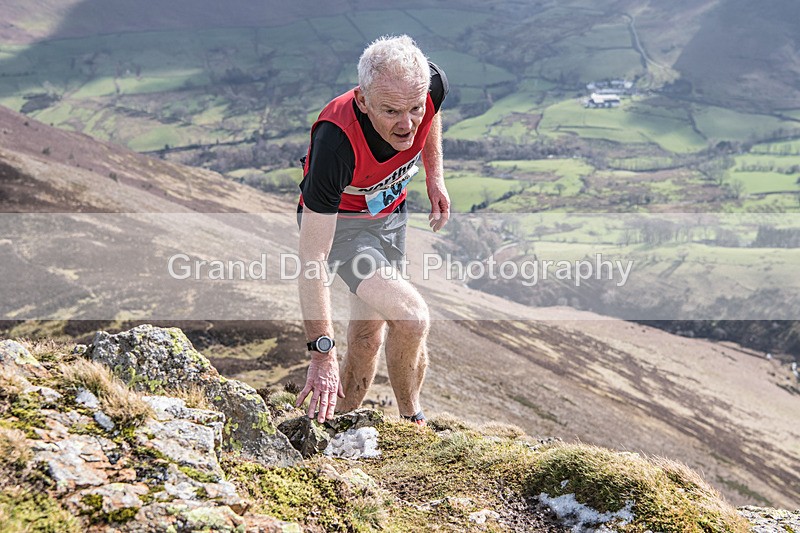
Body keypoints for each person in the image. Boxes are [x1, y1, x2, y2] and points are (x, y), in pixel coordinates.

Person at [294, 35, 450, 427]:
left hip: (391, 217)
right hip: (343, 229)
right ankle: (413, 421)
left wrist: (435, 177)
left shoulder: (428, 86)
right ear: (363, 102)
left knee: (367, 339)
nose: (406, 124)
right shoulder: (336, 142)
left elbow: (430, 117)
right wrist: (321, 354)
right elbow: (312, 258)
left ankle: (335, 425)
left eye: (414, 108)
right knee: (412, 318)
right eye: (391, 111)